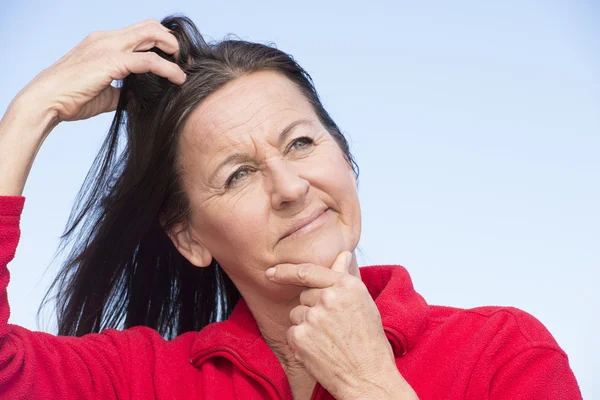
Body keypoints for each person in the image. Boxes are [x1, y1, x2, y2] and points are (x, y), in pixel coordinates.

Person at [0, 15, 582, 400]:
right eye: (238, 175)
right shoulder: (144, 381)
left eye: (301, 143)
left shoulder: (502, 352)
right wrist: (29, 114)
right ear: (189, 238)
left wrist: (369, 382)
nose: (290, 186)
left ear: (344, 157)